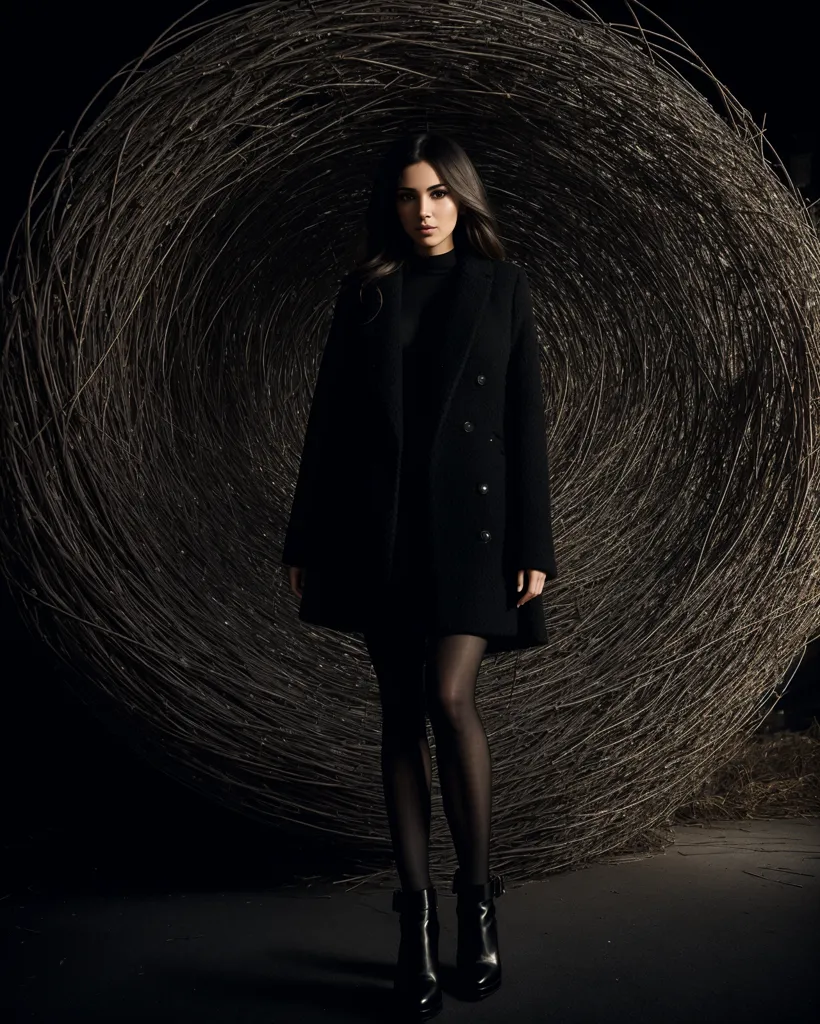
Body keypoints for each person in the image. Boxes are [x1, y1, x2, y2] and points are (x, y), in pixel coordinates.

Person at [281, 132, 557, 1018]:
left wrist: (535, 544)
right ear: (391, 208)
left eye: (438, 193)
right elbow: (327, 423)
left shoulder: (504, 289)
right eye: (407, 196)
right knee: (399, 713)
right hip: (377, 531)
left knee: (448, 698)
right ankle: (415, 922)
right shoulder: (366, 292)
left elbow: (524, 426)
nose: (424, 209)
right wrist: (305, 538)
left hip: (473, 531)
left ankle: (476, 903)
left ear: (462, 199)